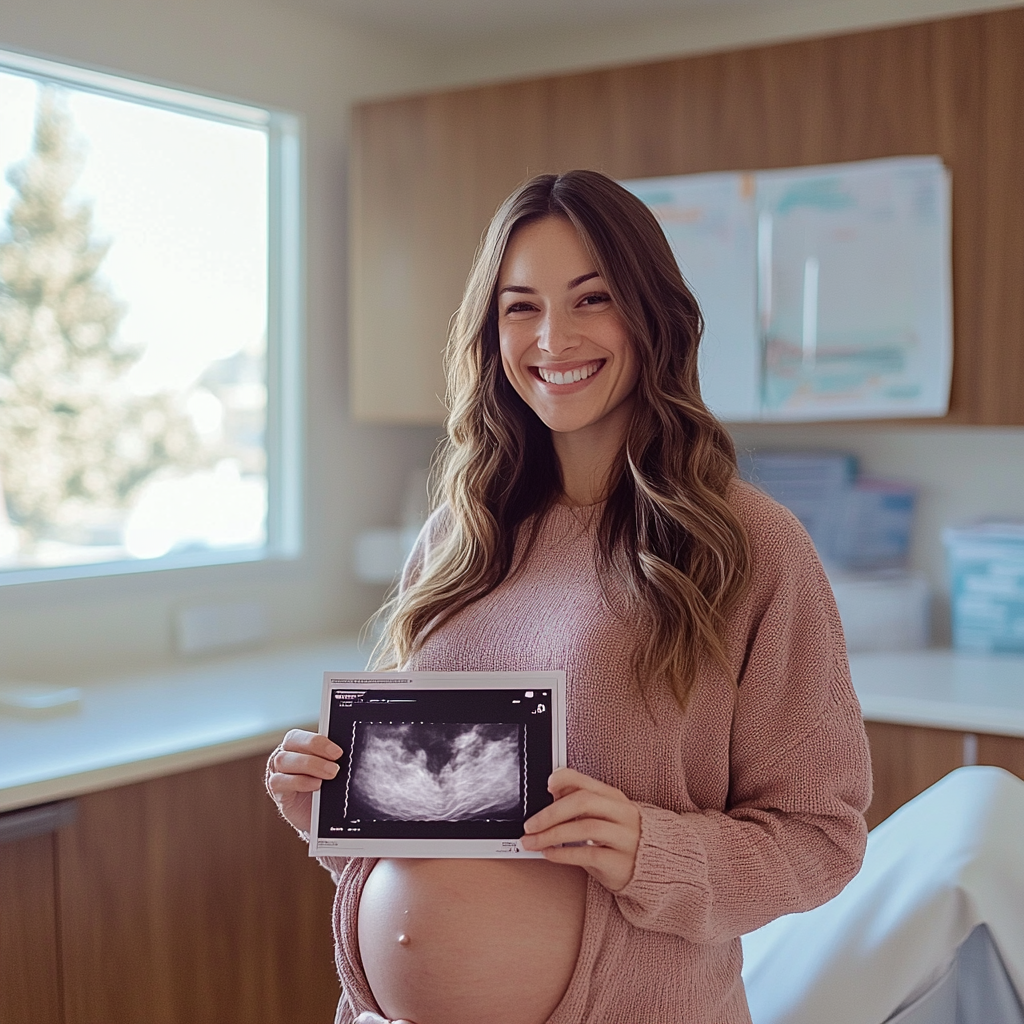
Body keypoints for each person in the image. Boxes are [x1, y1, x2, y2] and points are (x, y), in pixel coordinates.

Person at [267, 169, 873, 1024]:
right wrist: (333, 814)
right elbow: (448, 844)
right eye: (521, 307)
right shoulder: (458, 536)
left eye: (592, 300)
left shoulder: (749, 546)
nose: (553, 337)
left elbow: (820, 838)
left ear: (652, 315)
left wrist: (647, 851)